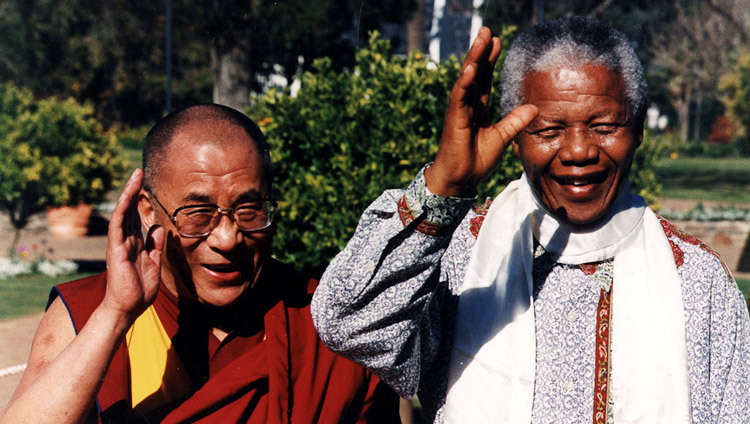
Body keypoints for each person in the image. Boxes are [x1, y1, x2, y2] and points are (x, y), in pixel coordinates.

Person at [311, 17, 750, 423]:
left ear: (637, 130)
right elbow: (348, 324)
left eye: (603, 125)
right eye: (548, 129)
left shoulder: (696, 279)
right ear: (515, 139)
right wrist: (443, 187)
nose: (579, 151)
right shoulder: (459, 253)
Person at [2, 104, 400, 423]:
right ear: (148, 211)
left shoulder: (321, 320)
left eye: (249, 209)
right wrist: (115, 313)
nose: (228, 239)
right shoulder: (91, 311)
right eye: (197, 214)